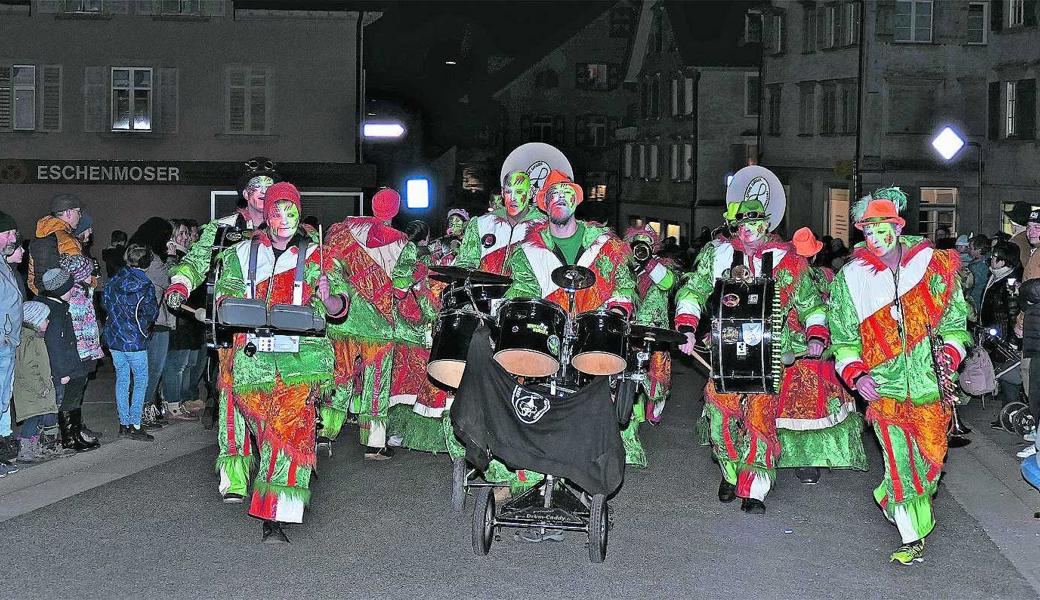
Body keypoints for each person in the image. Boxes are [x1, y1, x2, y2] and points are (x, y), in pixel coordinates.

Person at [828, 187, 969, 565]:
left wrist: (951, 356)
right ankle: (913, 536)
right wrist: (856, 376)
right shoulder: (851, 278)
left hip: (931, 389)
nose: (874, 239)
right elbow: (842, 338)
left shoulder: (934, 266)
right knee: (900, 462)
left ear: (898, 226)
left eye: (881, 230)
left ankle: (893, 497)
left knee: (929, 463)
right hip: (884, 389)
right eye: (867, 232)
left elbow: (956, 323)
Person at [677, 170, 827, 514]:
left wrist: (816, 334)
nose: (748, 230)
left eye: (755, 222)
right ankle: (731, 472)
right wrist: (686, 327)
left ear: (767, 224)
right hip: (725, 351)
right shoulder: (717, 256)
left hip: (771, 354)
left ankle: (754, 488)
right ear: (734, 226)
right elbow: (692, 290)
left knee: (760, 418)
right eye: (742, 223)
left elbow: (811, 304)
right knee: (721, 417)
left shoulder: (790, 260)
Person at [499, 174, 635, 506]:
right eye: (552, 195)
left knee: (588, 408)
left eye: (566, 193)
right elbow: (522, 289)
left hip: (592, 340)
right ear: (543, 204)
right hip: (546, 340)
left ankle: (583, 474)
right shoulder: (527, 251)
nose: (559, 199)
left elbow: (623, 285)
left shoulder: (606, 247)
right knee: (533, 404)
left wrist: (617, 308)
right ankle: (529, 476)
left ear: (576, 200)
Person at [212, 182, 336, 543]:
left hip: (301, 362)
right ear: (266, 216)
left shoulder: (319, 256)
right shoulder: (238, 254)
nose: (284, 219)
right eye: (277, 212)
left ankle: (275, 516)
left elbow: (338, 308)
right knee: (267, 434)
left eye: (291, 212)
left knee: (288, 433)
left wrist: (329, 299)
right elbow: (226, 300)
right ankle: (275, 494)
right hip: (251, 364)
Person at [320, 188, 414, 459]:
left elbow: (330, 267)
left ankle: (326, 432)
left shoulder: (343, 230)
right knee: (376, 383)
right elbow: (400, 288)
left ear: (373, 207)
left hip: (344, 320)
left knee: (340, 376)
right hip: (378, 325)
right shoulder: (403, 244)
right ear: (395, 211)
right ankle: (374, 442)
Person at [775, 227, 867, 483]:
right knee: (815, 408)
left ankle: (791, 457)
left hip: (792, 351)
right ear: (815, 255)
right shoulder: (827, 276)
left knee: (791, 408)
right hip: (809, 351)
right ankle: (812, 461)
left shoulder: (783, 274)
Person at [622, 225, 678, 468]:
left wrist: (648, 263)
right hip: (630, 336)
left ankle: (654, 403)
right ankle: (630, 443)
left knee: (657, 385)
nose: (640, 247)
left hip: (657, 336)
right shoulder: (624, 268)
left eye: (646, 243)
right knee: (629, 384)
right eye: (637, 243)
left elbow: (667, 283)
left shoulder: (660, 267)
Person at [102, 243, 159, 441]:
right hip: (135, 339)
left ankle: (124, 424)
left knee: (122, 379)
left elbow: (104, 303)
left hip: (115, 338)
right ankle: (135, 424)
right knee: (141, 380)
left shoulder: (113, 280)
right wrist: (142, 326)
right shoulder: (145, 285)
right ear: (146, 263)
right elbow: (151, 312)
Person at [38, 268, 100, 452]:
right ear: (59, 290)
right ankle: (70, 438)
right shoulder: (54, 313)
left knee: (73, 400)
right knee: (69, 401)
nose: (73, 291)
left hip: (73, 362)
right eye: (68, 288)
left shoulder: (58, 306)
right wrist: (62, 373)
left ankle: (74, 435)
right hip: (67, 367)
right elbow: (55, 346)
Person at [14, 301, 74, 463]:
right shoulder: (29, 341)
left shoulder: (34, 338)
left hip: (36, 388)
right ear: (34, 320)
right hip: (31, 389)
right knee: (32, 418)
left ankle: (34, 447)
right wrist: (41, 387)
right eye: (44, 319)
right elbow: (28, 368)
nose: (48, 322)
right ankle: (25, 449)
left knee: (37, 418)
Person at [131, 218, 177, 428]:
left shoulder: (136, 254)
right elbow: (170, 281)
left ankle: (143, 410)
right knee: (153, 369)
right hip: (156, 320)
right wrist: (172, 258)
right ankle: (143, 411)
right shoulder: (153, 259)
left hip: (142, 321)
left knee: (143, 370)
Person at [453, 170, 545, 274]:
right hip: (486, 288)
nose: (513, 198)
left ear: (530, 193)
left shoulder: (544, 226)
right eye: (509, 192)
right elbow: (464, 264)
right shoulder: (480, 224)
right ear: (502, 192)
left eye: (519, 192)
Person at [0, 210, 23, 475]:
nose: (12, 237)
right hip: (2, 340)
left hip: (7, 341)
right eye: (6, 232)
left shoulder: (4, 263)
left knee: (3, 399)